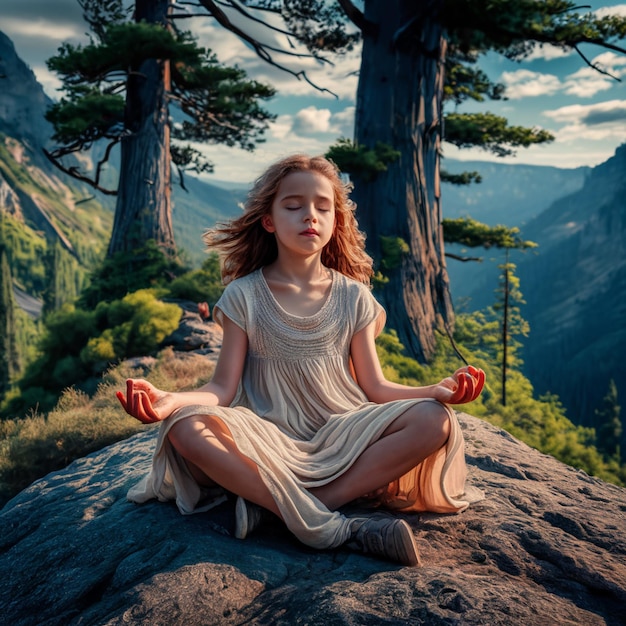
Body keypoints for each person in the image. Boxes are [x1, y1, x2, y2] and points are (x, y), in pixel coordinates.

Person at [117, 154, 485, 567]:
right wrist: (168, 400)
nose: (309, 215)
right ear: (269, 220)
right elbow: (220, 390)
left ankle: (289, 508)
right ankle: (327, 523)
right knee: (183, 428)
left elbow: (376, 388)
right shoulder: (244, 295)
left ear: (335, 222)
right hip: (265, 439)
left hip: (341, 434)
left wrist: (434, 391)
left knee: (434, 419)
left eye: (322, 207)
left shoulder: (353, 296)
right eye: (293, 205)